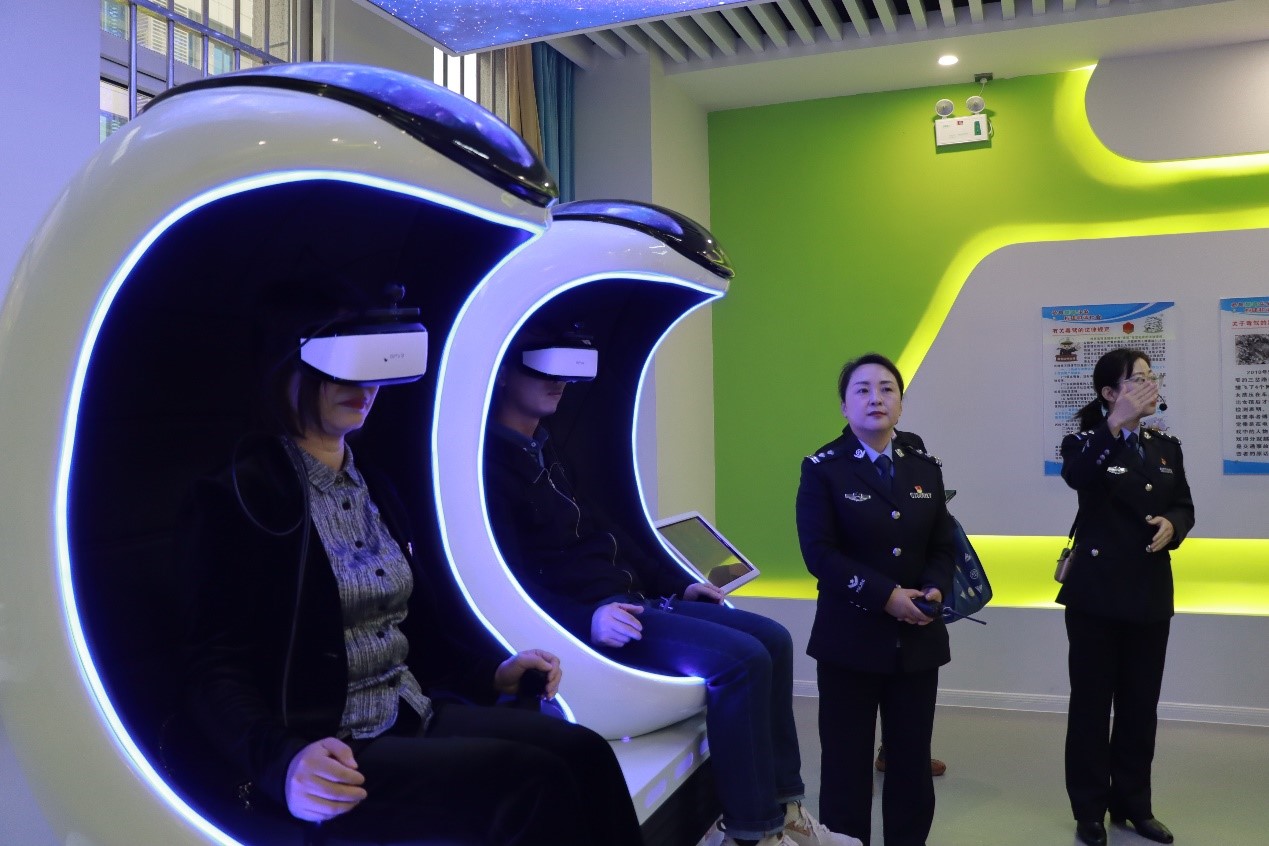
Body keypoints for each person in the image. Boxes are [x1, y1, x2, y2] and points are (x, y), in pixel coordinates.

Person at [177, 284, 643, 846]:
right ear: (290, 366)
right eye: (347, 369)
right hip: (336, 744)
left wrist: (492, 672)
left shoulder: (375, 485)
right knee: (534, 782)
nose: (367, 388)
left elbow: (418, 630)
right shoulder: (244, 495)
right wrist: (281, 761)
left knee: (583, 750)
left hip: (410, 709)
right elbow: (212, 665)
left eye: (375, 370)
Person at [483, 324, 859, 846]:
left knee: (774, 638)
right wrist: (584, 619)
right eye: (545, 368)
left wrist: (681, 585)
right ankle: (753, 833)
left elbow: (609, 535)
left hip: (634, 600)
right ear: (505, 373)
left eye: (568, 370)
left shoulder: (548, 453)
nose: (560, 381)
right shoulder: (490, 468)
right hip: (599, 618)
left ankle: (785, 807)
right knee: (742, 662)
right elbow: (503, 575)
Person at [795, 353, 956, 846]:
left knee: (911, 760)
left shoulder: (924, 467)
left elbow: (943, 544)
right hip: (850, 640)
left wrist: (934, 587)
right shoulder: (823, 469)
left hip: (917, 639)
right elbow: (819, 554)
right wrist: (885, 596)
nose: (876, 398)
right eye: (862, 390)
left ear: (900, 404)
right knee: (846, 765)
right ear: (845, 406)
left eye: (887, 389)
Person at [1058, 348, 1193, 846]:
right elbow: (1078, 477)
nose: (1150, 385)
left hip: (1150, 594)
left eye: (1152, 376)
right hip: (1095, 596)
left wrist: (1173, 525)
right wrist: (1113, 425)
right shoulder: (1083, 442)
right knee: (1091, 707)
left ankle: (1135, 805)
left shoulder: (1165, 446)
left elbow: (1184, 504)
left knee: (1140, 707)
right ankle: (1089, 810)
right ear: (1109, 392)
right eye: (1138, 379)